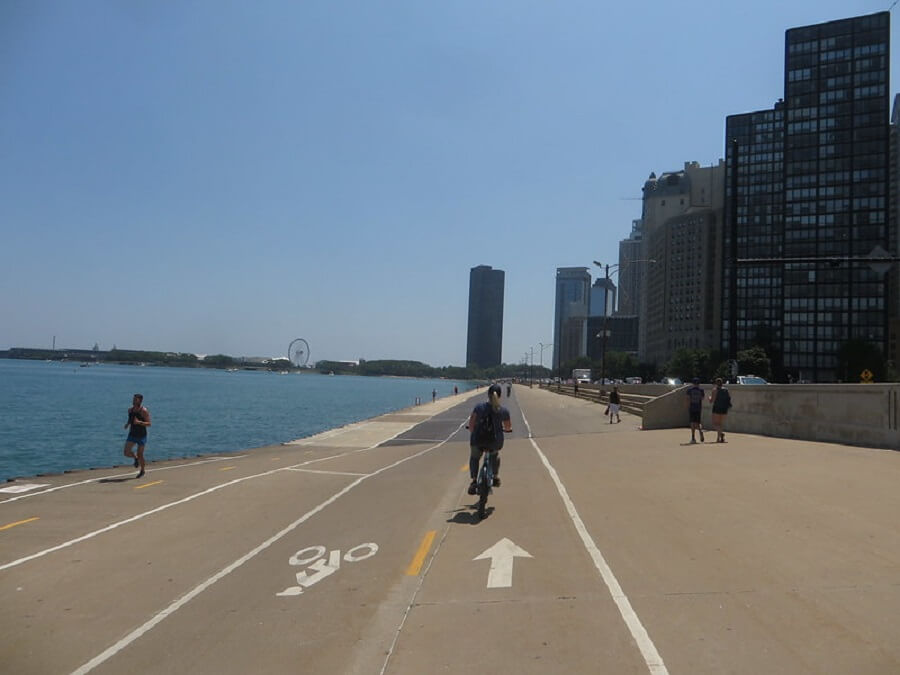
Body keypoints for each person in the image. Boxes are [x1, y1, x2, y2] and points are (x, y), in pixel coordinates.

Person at [466, 383, 512, 495]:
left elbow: (471, 425)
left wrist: (473, 431)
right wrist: (507, 430)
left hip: (478, 441)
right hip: (495, 442)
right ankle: (495, 477)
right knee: (495, 455)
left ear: (488, 394)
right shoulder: (503, 411)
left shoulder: (479, 407)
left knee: (475, 458)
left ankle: (473, 481)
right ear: (500, 396)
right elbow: (508, 427)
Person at [123, 393, 151, 478]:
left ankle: (142, 470)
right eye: (133, 399)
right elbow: (130, 419)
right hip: (132, 434)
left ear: (140, 401)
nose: (133, 401)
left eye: (135, 399)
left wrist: (140, 422)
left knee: (140, 454)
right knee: (126, 452)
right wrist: (127, 424)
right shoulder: (130, 410)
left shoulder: (144, 411)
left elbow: (149, 423)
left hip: (142, 435)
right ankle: (135, 458)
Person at [708, 378, 732, 443]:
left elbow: (711, 401)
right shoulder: (726, 390)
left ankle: (721, 433)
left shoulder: (715, 390)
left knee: (715, 423)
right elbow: (729, 398)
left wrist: (709, 397)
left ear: (716, 383)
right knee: (720, 424)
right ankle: (719, 438)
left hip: (716, 408)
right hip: (724, 408)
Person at [685, 377, 705, 443]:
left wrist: (688, 407)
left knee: (692, 423)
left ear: (692, 383)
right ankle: (700, 431)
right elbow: (702, 398)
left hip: (692, 407)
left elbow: (688, 399)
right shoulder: (701, 390)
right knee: (698, 422)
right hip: (698, 408)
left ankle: (693, 437)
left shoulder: (689, 390)